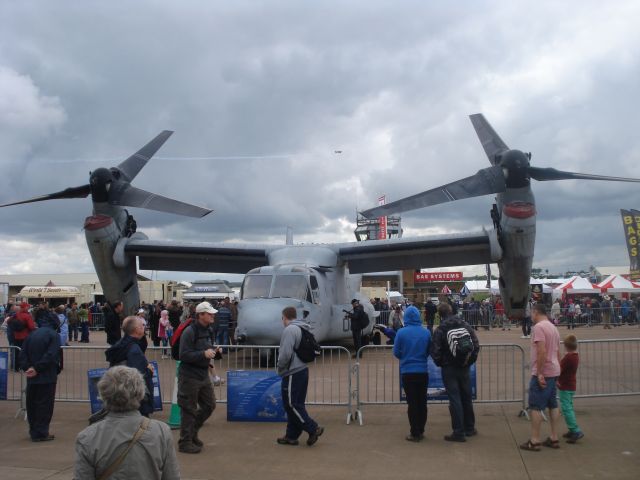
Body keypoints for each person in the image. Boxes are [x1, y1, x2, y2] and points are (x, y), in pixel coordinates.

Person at [74, 366, 180, 479]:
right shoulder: (161, 432)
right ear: (140, 393)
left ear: (103, 394)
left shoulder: (87, 438)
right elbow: (172, 476)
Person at [431, 302, 480, 442]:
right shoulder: (465, 324)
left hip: (449, 368)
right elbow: (475, 345)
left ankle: (458, 432)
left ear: (439, 314)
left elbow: (435, 351)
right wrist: (468, 362)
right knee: (466, 397)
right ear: (451, 311)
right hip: (464, 367)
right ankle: (470, 428)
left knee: (455, 399)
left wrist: (442, 363)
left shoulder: (441, 328)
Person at [276, 306, 324, 446]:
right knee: (296, 404)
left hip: (292, 372)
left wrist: (280, 368)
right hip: (302, 370)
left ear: (284, 317)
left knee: (291, 404)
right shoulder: (302, 328)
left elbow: (285, 354)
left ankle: (313, 428)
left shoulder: (290, 330)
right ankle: (291, 435)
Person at [177, 301, 220, 454]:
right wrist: (203, 354)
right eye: (209, 313)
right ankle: (185, 441)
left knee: (209, 405)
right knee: (188, 409)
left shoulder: (209, 330)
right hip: (189, 375)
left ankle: (192, 433)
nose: (212, 315)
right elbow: (183, 355)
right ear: (200, 315)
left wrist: (216, 352)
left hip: (202, 374)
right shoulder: (190, 331)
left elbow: (207, 351)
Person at [520, 303, 562, 451]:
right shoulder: (553, 327)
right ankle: (554, 436)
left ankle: (535, 439)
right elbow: (557, 351)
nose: (531, 316)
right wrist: (559, 370)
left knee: (535, 406)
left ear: (536, 312)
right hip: (554, 369)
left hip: (544, 371)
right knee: (553, 404)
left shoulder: (538, 328)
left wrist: (539, 373)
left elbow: (542, 351)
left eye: (531, 313)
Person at [19, 313, 62, 442]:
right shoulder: (54, 335)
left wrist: (28, 367)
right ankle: (41, 432)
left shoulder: (31, 335)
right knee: (45, 405)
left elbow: (22, 353)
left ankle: (34, 431)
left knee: (32, 404)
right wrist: (37, 368)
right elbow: (51, 355)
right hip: (46, 376)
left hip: (32, 376)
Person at [392, 306, 431, 442]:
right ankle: (421, 428)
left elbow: (396, 352)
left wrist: (405, 356)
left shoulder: (401, 333)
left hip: (408, 371)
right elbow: (428, 351)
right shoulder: (426, 332)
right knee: (422, 402)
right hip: (422, 371)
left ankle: (414, 432)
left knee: (412, 403)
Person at [105, 316, 155, 417]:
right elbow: (137, 376)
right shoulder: (133, 349)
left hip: (122, 396)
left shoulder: (121, 345)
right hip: (136, 401)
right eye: (142, 325)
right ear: (137, 329)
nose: (144, 327)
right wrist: (149, 370)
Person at [558, 334, 584, 444]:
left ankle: (575, 430)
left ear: (566, 346)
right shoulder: (575, 356)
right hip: (571, 385)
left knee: (566, 409)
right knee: (569, 406)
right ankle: (571, 429)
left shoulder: (568, 358)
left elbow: (560, 368)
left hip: (565, 386)